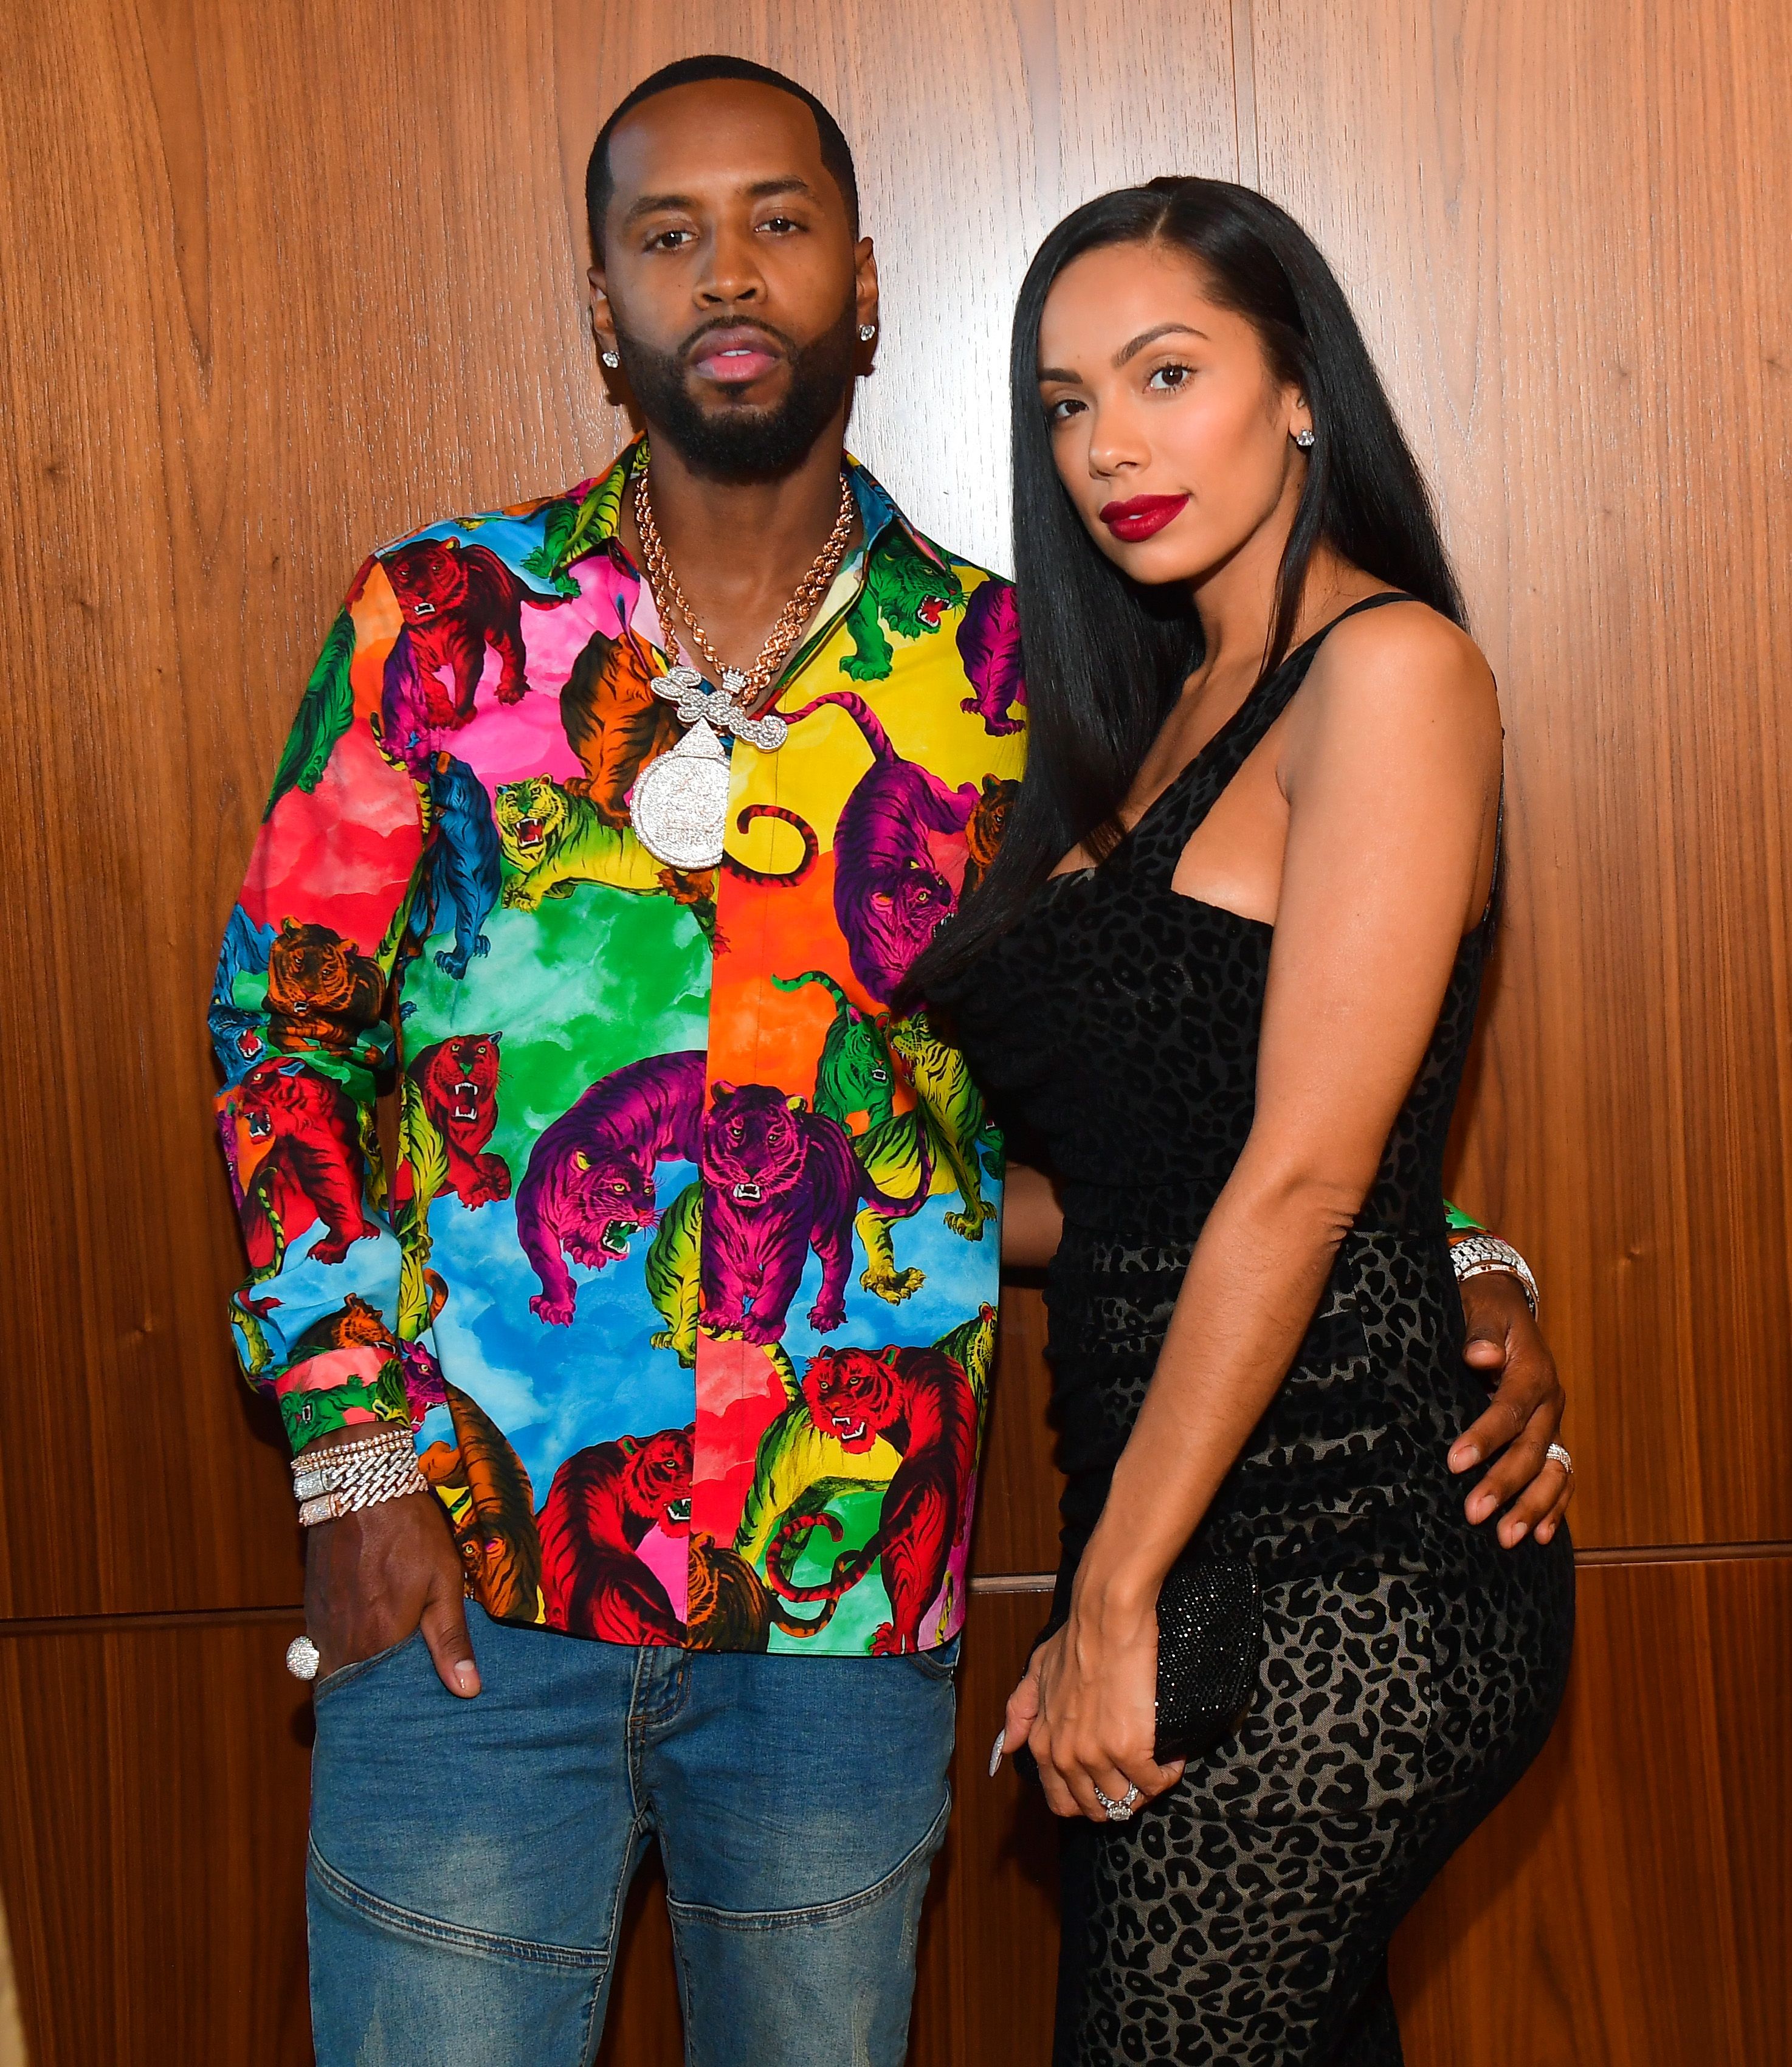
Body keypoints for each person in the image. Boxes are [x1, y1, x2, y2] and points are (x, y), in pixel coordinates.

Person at [210, 60, 1571, 2067]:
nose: (725, 272)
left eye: (777, 222)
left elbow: (1186, 1064)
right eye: (666, 237)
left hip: (841, 1600)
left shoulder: (1029, 685)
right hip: (465, 1575)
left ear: (864, 285)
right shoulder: (437, 625)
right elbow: (285, 1029)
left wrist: (1457, 1256)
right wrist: (344, 1448)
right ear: (603, 308)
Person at [919, 177, 1576, 2065]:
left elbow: (1303, 1178)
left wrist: (1109, 1594)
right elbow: (1141, 1190)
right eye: (1063, 402)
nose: (1107, 444)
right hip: (1191, 1514)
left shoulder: (1387, 671)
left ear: (1301, 391)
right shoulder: (1151, 705)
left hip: (1349, 1544)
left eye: (1164, 372)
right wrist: (880, 1220)